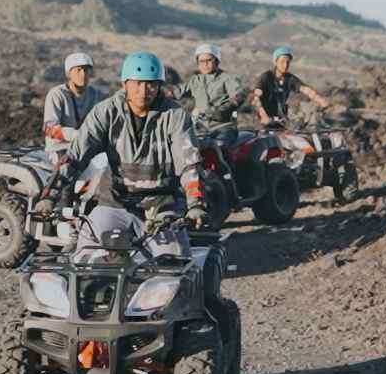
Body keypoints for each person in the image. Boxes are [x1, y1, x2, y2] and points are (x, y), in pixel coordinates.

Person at [61, 52, 207, 232]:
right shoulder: (105, 112)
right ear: (125, 84)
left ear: (159, 85)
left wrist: (195, 204)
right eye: (137, 83)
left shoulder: (175, 116)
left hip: (163, 204)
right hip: (114, 203)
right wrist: (50, 195)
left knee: (171, 248)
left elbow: (189, 164)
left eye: (151, 84)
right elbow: (75, 156)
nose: (143, 91)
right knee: (88, 242)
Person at [250, 45, 333, 127]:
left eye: (288, 62)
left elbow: (307, 90)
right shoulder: (266, 77)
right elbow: (255, 98)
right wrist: (263, 115)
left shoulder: (290, 78)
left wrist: (322, 102)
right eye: (282, 61)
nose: (285, 65)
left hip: (281, 121)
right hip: (263, 122)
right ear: (275, 62)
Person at [42, 52, 103, 158]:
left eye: (86, 70)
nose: (83, 74)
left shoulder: (94, 94)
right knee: (68, 166)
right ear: (68, 73)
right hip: (60, 148)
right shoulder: (57, 94)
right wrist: (78, 135)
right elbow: (49, 129)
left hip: (85, 147)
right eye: (78, 70)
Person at [182, 43, 247, 138]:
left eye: (209, 60)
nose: (205, 64)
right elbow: (176, 92)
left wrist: (222, 110)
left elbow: (239, 95)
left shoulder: (227, 78)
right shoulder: (195, 80)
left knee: (219, 145)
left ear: (216, 61)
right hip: (200, 126)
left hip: (222, 127)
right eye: (201, 61)